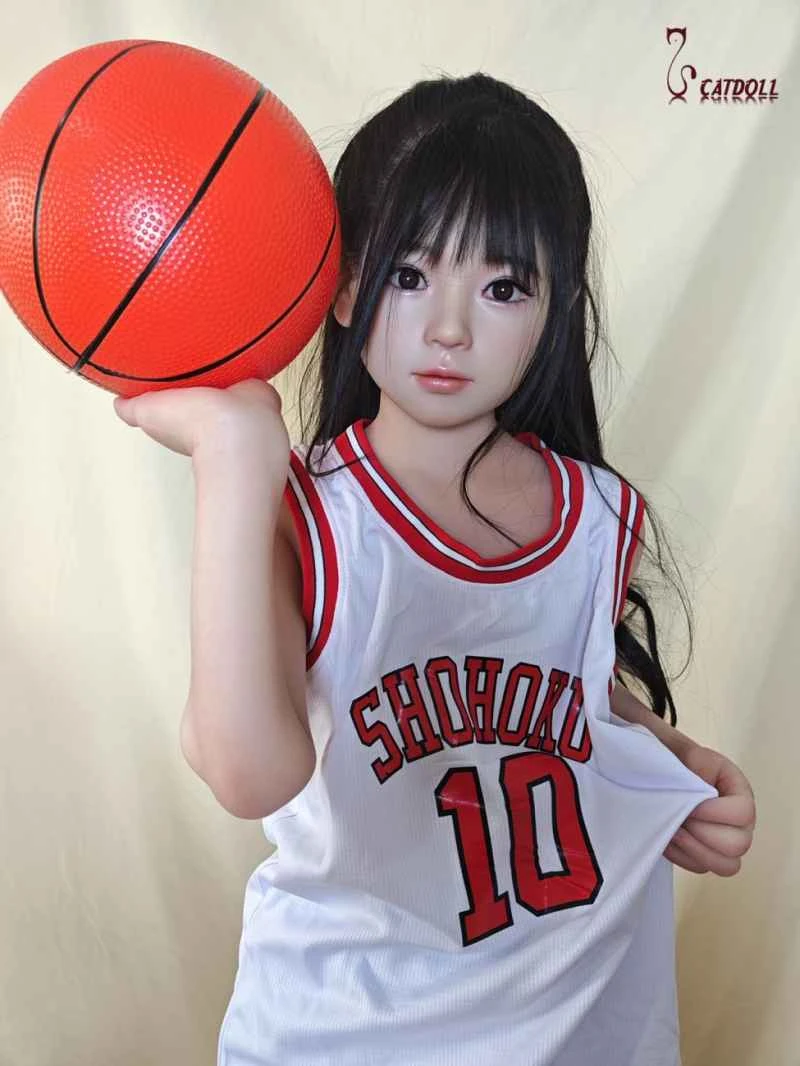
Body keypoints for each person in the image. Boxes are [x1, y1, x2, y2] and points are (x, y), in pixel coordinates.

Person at [113, 71, 756, 1065]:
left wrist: (670, 758)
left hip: (574, 1022)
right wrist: (234, 458)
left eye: (502, 288)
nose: (449, 328)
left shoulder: (595, 514)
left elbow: (548, 692)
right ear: (340, 287)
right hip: (350, 1032)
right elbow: (248, 770)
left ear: (556, 309)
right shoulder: (307, 513)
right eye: (409, 275)